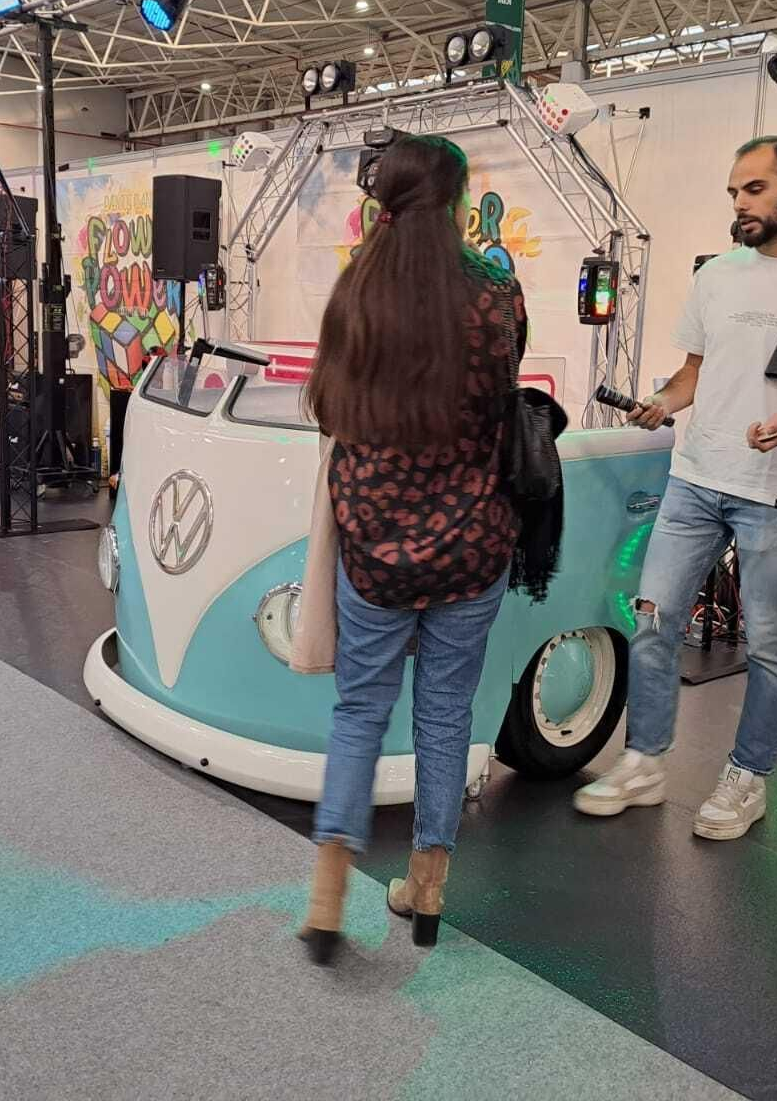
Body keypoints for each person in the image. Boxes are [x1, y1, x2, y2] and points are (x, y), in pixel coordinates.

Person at [571, 137, 777, 839]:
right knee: (652, 623)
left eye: (753, 190)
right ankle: (645, 761)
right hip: (695, 480)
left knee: (772, 646)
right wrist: (665, 401)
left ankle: (748, 778)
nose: (739, 205)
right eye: (733, 193)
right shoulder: (716, 276)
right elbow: (692, 375)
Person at [297, 135, 526, 964]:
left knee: (359, 713)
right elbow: (503, 398)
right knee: (444, 714)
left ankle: (327, 896)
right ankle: (427, 889)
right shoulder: (497, 296)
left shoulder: (356, 291)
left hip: (375, 547)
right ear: (458, 202)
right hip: (472, 543)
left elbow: (326, 406)